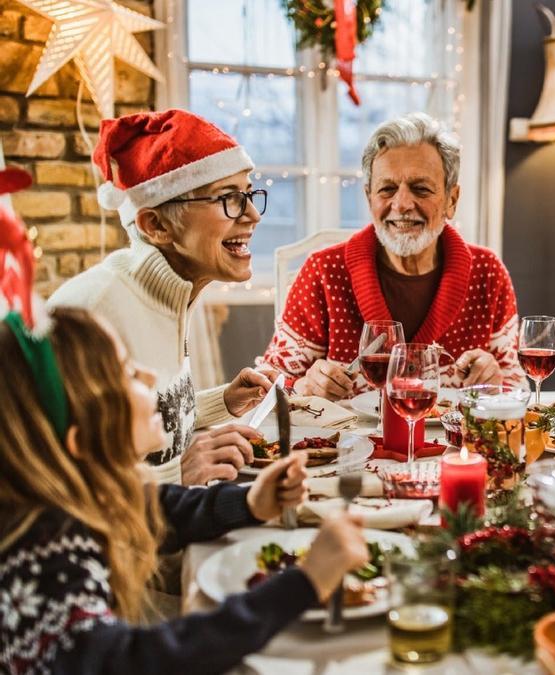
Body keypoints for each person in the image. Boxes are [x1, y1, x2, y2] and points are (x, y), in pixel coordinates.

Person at [0, 306, 369, 675]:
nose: (149, 376)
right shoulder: (43, 554)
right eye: (128, 373)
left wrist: (248, 502)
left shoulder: (74, 496)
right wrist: (304, 583)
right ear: (82, 441)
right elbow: (136, 662)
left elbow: (155, 508)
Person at [49, 109, 274, 486]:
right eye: (229, 198)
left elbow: (144, 427)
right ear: (156, 225)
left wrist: (224, 402)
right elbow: (51, 480)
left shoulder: (172, 293)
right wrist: (177, 474)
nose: (253, 214)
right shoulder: (90, 314)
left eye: (249, 194)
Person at [261, 112, 522, 398]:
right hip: (347, 443)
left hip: (451, 444)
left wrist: (496, 381)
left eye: (420, 189)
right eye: (387, 189)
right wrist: (300, 386)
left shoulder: (487, 272)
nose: (402, 204)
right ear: (368, 197)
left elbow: (516, 384)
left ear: (452, 200)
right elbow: (268, 386)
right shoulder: (324, 271)